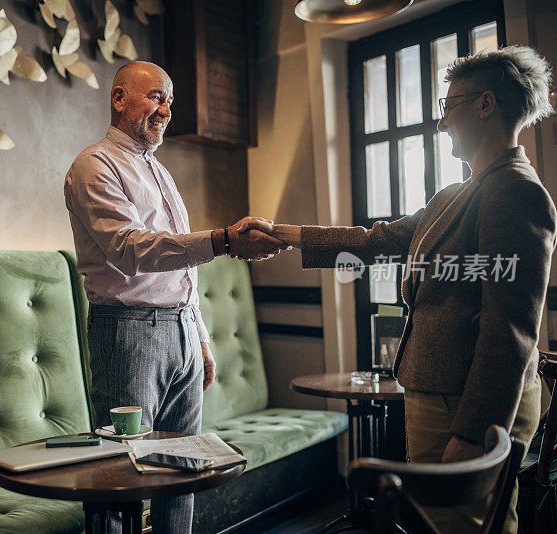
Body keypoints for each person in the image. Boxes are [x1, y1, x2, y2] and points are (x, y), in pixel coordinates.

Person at [244, 45, 555, 533]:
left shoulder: (516, 191)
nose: (442, 121)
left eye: (448, 106)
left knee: (462, 526)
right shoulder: (455, 194)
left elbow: (510, 328)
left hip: (468, 405)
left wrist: (474, 431)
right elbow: (375, 242)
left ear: (486, 104)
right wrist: (284, 235)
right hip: (438, 396)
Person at [63, 61, 284, 533]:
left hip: (181, 330)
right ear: (119, 99)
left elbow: (179, 269)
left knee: (181, 473)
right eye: (155, 97)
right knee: (122, 474)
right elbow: (130, 250)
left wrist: (199, 336)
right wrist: (223, 240)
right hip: (127, 333)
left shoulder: (161, 173)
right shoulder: (93, 166)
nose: (165, 110)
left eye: (169, 101)